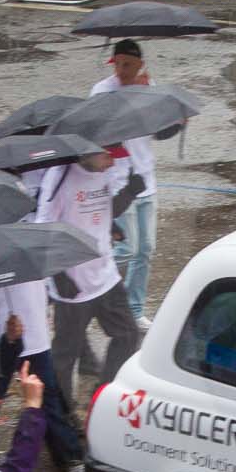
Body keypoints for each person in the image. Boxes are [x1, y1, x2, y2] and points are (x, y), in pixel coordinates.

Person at [37, 146, 145, 398]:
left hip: (105, 274)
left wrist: (129, 192)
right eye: (108, 157)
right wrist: (57, 274)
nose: (111, 163)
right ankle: (61, 416)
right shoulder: (59, 177)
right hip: (74, 282)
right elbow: (43, 229)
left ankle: (104, 394)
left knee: (128, 334)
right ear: (89, 153)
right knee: (65, 355)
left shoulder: (104, 170)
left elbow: (107, 209)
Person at [90, 40, 157, 327]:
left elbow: (159, 131)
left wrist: (176, 120)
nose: (121, 69)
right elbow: (102, 134)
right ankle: (102, 299)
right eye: (116, 63)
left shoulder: (150, 89)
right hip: (118, 184)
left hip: (147, 180)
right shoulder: (102, 92)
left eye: (127, 64)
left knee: (146, 250)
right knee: (126, 249)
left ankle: (134, 308)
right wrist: (133, 98)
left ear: (140, 65)